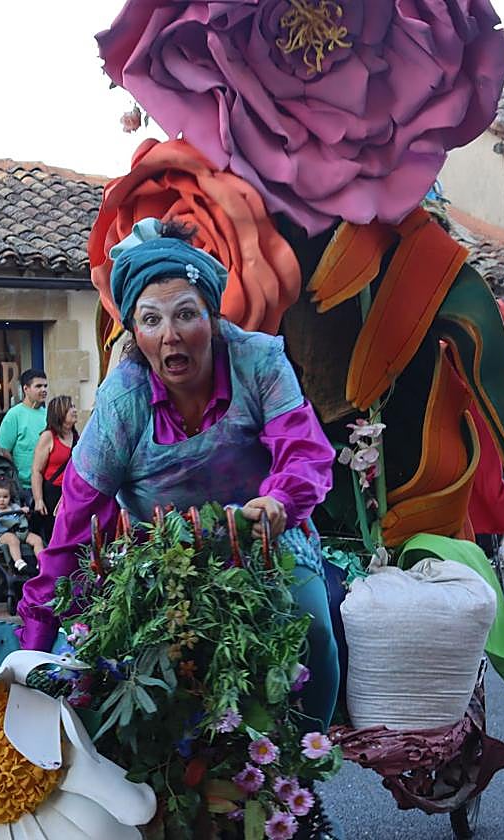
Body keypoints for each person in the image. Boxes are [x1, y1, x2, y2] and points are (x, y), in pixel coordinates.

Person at [18, 217, 339, 725]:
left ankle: (299, 769)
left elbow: (303, 450)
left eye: (185, 314)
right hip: (161, 569)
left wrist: (278, 501)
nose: (170, 336)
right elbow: (74, 524)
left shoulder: (258, 361)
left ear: (210, 316)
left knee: (313, 631)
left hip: (267, 544)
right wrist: (33, 649)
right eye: (151, 320)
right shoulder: (122, 401)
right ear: (135, 331)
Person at [31, 395, 79, 534]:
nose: (74, 410)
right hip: (52, 493)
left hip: (71, 492)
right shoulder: (48, 436)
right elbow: (36, 471)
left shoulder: (76, 436)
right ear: (60, 412)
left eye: (74, 406)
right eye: (70, 407)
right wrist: (38, 500)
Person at [0, 369, 49, 497]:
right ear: (26, 389)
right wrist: (17, 475)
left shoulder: (48, 414)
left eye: (45, 386)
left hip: (46, 483)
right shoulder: (14, 415)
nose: (43, 389)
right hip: (23, 486)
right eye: (38, 386)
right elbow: (4, 450)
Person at [0, 479, 44, 572]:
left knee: (37, 540)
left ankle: (41, 562)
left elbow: (23, 517)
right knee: (12, 540)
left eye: (5, 497)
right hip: (4, 534)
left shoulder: (14, 507)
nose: (2, 500)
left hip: (21, 532)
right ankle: (18, 561)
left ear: (10, 497)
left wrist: (25, 512)